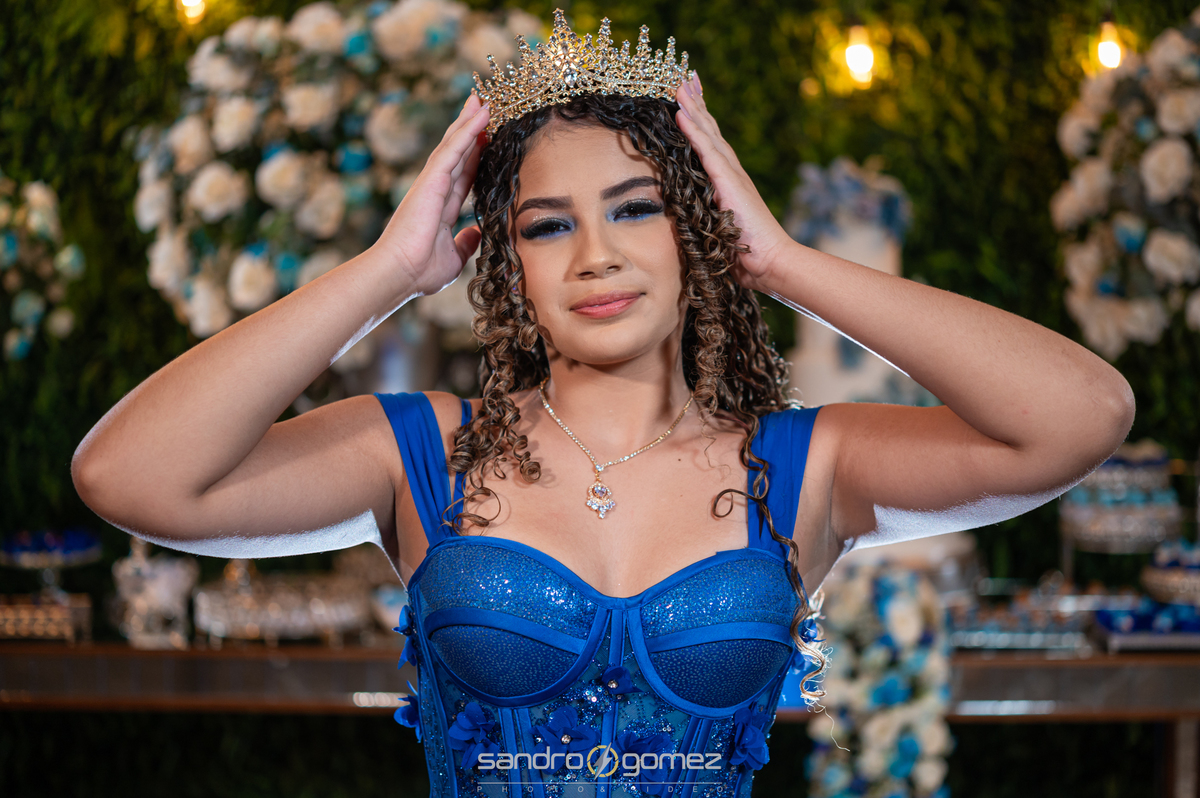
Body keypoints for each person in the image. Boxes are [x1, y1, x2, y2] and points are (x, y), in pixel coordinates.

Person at [72, 11, 1133, 797]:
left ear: (697, 232)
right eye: (547, 226)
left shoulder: (806, 466)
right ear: (510, 266)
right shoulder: (424, 453)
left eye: (637, 209)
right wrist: (389, 271)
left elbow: (1082, 414)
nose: (595, 256)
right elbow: (128, 477)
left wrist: (785, 263)